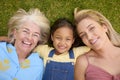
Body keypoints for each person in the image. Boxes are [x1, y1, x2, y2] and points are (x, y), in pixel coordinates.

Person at [0, 8, 50, 80]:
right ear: (15, 33)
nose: (29, 38)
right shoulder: (1, 50)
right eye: (25, 31)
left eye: (35, 35)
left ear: (39, 40)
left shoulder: (40, 64)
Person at [74, 8, 120, 80]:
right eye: (83, 35)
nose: (89, 37)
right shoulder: (83, 62)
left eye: (91, 28)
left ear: (104, 27)